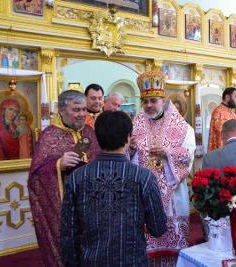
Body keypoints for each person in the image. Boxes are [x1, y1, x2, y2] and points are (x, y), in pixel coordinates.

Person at [60, 111, 167, 266]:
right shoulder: (144, 177)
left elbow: (68, 232)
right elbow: (158, 228)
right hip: (133, 262)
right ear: (128, 138)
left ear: (98, 138)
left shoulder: (77, 177)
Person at [28, 90, 101, 267]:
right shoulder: (49, 135)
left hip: (91, 206)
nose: (82, 114)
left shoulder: (90, 133)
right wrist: (58, 164)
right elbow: (35, 176)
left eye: (84, 109)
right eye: (76, 110)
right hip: (64, 208)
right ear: (61, 111)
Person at [132, 71, 195, 267]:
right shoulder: (135, 126)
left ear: (162, 100)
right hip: (143, 194)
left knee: (171, 245)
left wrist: (168, 153)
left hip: (172, 195)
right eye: (145, 102)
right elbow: (126, 157)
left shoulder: (183, 128)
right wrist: (130, 149)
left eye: (153, 100)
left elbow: (189, 153)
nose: (149, 105)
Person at [207, 87, 236, 152]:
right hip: (226, 152)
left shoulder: (231, 112)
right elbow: (221, 137)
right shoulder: (219, 112)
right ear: (227, 97)